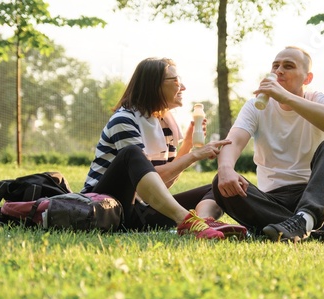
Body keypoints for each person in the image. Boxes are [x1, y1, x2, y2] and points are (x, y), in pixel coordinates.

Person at [82, 57, 247, 239]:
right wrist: (194, 156)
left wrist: (188, 146)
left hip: (137, 213)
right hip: (104, 208)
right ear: (153, 85)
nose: (182, 87)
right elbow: (151, 176)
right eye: (175, 81)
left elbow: (161, 183)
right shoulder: (124, 120)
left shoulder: (165, 123)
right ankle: (188, 221)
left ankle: (202, 223)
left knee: (219, 187)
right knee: (131, 153)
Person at [212, 46, 324, 243]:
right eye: (275, 66)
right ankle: (315, 232)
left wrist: (286, 97)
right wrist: (225, 169)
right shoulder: (255, 106)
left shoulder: (320, 100)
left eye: (288, 66)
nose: (279, 71)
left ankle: (305, 220)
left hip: (318, 196)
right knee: (221, 183)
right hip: (272, 201)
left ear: (307, 78)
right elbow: (233, 140)